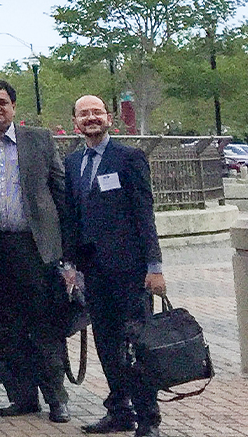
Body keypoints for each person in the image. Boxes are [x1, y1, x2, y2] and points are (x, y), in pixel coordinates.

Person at [0, 79, 73, 423]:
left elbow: (61, 193)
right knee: (2, 327)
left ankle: (57, 398)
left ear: (13, 107)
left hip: (33, 247)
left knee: (44, 326)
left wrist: (68, 254)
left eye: (1, 102)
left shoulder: (38, 141)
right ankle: (22, 396)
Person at [66, 95, 166, 437]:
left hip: (130, 271)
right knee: (106, 343)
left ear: (109, 118)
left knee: (137, 344)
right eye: (84, 114)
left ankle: (148, 416)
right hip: (93, 272)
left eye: (97, 112)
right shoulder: (73, 162)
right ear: (76, 121)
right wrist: (71, 266)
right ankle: (119, 409)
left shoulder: (129, 158)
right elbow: (72, 218)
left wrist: (154, 266)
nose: (91, 118)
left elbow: (144, 213)